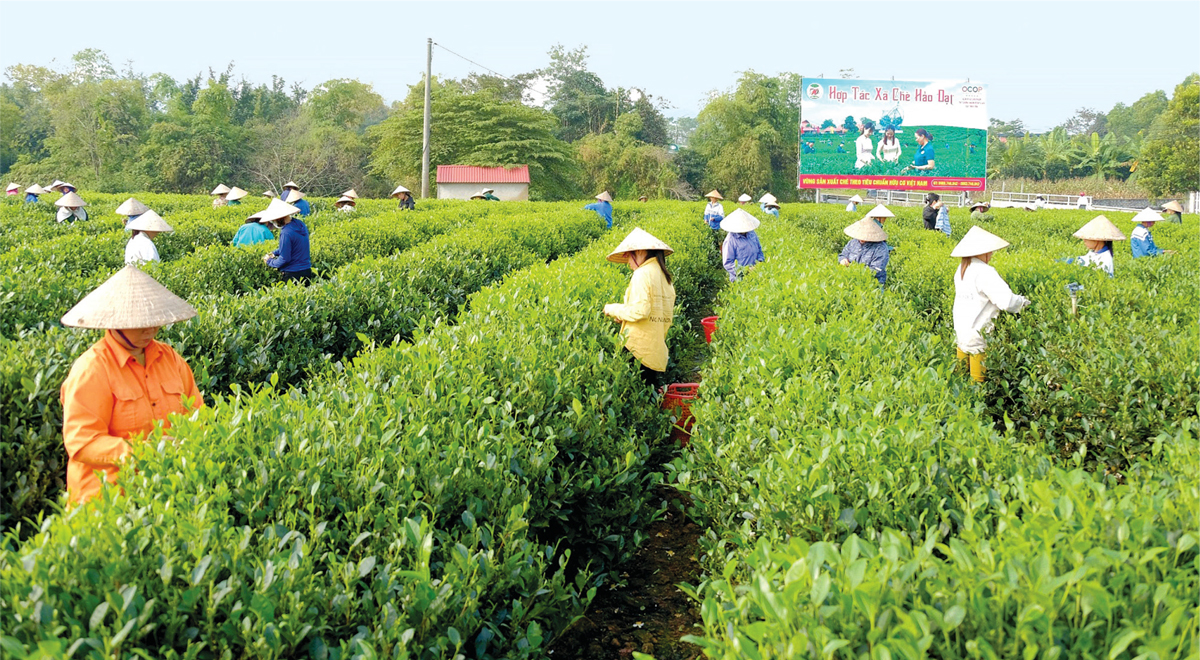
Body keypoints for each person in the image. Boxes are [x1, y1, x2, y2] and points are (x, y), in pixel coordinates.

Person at [58, 265, 204, 504]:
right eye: (139, 323)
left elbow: (198, 413)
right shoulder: (92, 369)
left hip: (165, 490)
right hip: (108, 498)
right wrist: (145, 450)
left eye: (153, 320)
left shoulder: (170, 358)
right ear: (114, 322)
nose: (151, 329)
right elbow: (83, 443)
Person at [951, 226, 1030, 384]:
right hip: (978, 335)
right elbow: (1007, 302)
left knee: (960, 382)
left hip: (962, 331)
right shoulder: (984, 272)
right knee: (977, 385)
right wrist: (1025, 302)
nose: (991, 254)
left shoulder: (963, 268)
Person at [602, 228, 676, 389]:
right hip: (655, 346)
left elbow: (640, 311)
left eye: (629, 254)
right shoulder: (664, 275)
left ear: (641, 251)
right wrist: (624, 315)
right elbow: (654, 309)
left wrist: (612, 309)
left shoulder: (643, 273)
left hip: (639, 349)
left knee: (638, 394)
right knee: (650, 394)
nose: (627, 259)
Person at [259, 198, 311, 282]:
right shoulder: (300, 224)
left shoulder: (286, 232)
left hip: (293, 274)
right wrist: (274, 253)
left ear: (279, 218)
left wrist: (269, 261)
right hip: (306, 271)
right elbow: (293, 246)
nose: (274, 221)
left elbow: (285, 259)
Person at [838, 215, 891, 286]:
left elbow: (876, 270)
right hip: (850, 280)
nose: (861, 238)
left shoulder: (881, 248)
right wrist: (843, 259)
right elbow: (843, 254)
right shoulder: (853, 242)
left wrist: (853, 270)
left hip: (872, 283)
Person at [720, 209, 765, 282]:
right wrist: (745, 270)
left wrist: (759, 262)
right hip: (740, 279)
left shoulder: (752, 234)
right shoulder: (730, 240)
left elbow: (759, 250)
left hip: (756, 274)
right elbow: (728, 263)